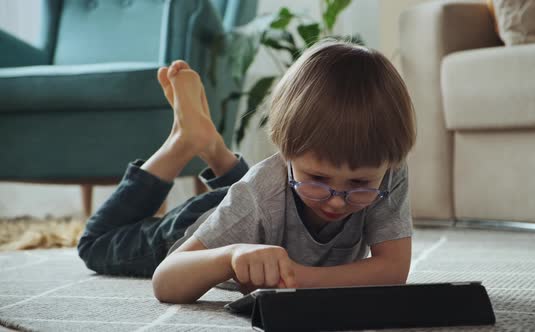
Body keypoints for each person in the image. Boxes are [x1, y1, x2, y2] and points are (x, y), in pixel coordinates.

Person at [77, 39, 416, 304]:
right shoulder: (259, 193)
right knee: (95, 244)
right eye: (318, 179)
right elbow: (166, 279)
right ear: (285, 154)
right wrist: (231, 256)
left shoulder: (387, 170)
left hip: (258, 207)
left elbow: (392, 269)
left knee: (265, 196)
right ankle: (183, 142)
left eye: (359, 184)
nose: (337, 201)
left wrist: (298, 278)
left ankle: (214, 149)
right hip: (200, 224)